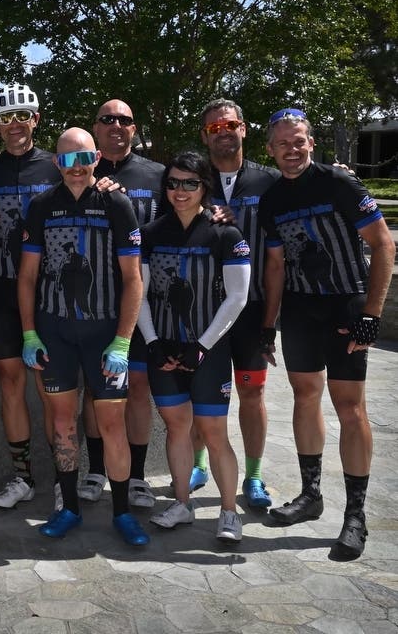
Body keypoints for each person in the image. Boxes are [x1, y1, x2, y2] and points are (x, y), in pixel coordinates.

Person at [259, 108, 395, 561]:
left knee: (350, 406)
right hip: (300, 308)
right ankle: (310, 494)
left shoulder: (340, 183)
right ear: (270, 149)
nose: (291, 150)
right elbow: (276, 265)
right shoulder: (273, 198)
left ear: (310, 142)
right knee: (303, 396)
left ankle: (355, 516)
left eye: (298, 141)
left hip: (346, 303)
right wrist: (268, 325)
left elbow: (382, 244)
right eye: (282, 143)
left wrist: (371, 314)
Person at [18, 128, 147, 545]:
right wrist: (30, 334)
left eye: (85, 158)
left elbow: (133, 280)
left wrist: (123, 341)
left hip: (104, 334)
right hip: (54, 334)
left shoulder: (117, 204)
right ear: (57, 163)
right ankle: (69, 507)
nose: (77, 167)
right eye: (68, 160)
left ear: (97, 158)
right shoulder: (40, 206)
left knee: (112, 425)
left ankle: (123, 512)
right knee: (61, 423)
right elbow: (27, 277)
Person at [138, 152, 250, 542]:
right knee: (176, 428)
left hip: (209, 352)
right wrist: (152, 343)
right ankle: (181, 503)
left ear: (205, 186)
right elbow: (140, 294)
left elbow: (237, 298)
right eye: (173, 183)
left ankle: (229, 512)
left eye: (190, 183)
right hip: (164, 349)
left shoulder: (225, 234)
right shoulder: (151, 234)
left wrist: (201, 346)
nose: (180, 191)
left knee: (214, 432)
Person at [191, 99, 281, 508]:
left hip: (252, 310)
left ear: (243, 128)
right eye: (213, 128)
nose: (222, 132)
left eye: (229, 124)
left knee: (251, 395)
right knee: (201, 393)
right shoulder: (192, 180)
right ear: (205, 136)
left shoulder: (271, 181)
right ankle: (197, 463)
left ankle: (255, 476)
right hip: (202, 309)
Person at [0, 83, 60, 510]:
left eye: (21, 117)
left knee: (51, 386)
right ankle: (22, 477)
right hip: (1, 288)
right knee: (10, 381)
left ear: (36, 120)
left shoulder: (57, 166)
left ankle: (64, 477)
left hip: (50, 292)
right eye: (5, 119)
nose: (14, 126)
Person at [79, 99, 165, 509]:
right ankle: (95, 469)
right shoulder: (80, 171)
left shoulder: (157, 175)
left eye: (125, 120)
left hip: (143, 301)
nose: (116, 125)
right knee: (94, 392)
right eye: (108, 119)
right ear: (95, 127)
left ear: (135, 128)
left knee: (138, 389)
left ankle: (136, 476)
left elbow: (186, 214)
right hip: (92, 301)